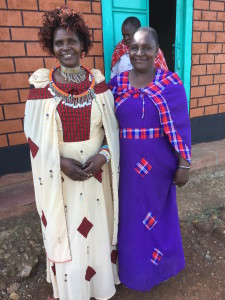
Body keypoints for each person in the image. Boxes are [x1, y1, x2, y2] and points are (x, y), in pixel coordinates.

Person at [24, 7, 120, 300]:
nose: (66, 47)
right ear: (51, 46)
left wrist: (103, 155)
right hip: (59, 178)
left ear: (83, 44)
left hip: (96, 174)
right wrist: (59, 162)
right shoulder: (41, 86)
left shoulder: (99, 84)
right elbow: (34, 137)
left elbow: (111, 131)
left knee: (96, 227)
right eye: (59, 42)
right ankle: (72, 290)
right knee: (67, 229)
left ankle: (99, 285)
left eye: (72, 41)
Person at [109, 27, 191, 292]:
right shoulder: (117, 84)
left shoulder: (170, 84)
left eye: (146, 48)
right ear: (127, 50)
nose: (140, 52)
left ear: (157, 51)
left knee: (157, 219)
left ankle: (160, 268)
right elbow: (105, 125)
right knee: (130, 220)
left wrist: (183, 164)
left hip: (159, 170)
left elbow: (181, 126)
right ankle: (133, 273)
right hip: (127, 171)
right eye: (134, 48)